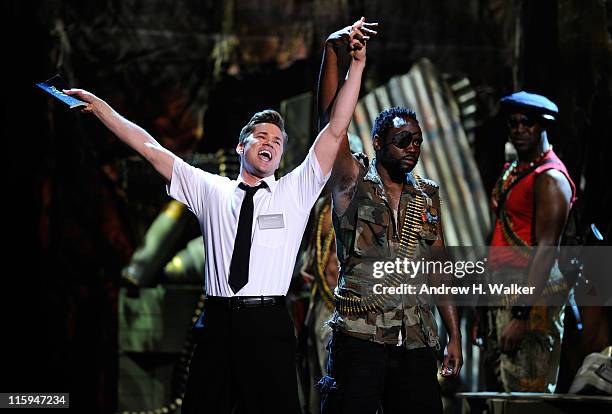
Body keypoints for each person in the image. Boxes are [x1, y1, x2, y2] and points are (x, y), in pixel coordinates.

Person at [64, 18, 369, 413]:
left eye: (277, 142)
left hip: (268, 324)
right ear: (241, 146)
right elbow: (152, 149)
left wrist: (356, 65)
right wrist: (104, 110)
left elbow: (334, 130)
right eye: (261, 136)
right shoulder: (211, 189)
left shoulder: (295, 190)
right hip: (218, 321)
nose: (270, 144)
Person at [315, 23, 462, 414]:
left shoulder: (427, 194)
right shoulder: (353, 182)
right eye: (402, 141)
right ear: (379, 143)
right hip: (360, 338)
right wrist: (335, 52)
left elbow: (439, 266)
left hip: (416, 338)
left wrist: (454, 334)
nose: (411, 147)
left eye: (416, 141)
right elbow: (332, 130)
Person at [474, 91, 576, 392]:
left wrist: (521, 315)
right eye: (513, 124)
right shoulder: (513, 172)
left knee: (527, 393)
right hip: (501, 291)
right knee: (503, 393)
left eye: (527, 123)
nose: (519, 130)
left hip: (530, 299)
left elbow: (547, 250)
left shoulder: (550, 178)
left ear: (543, 126)